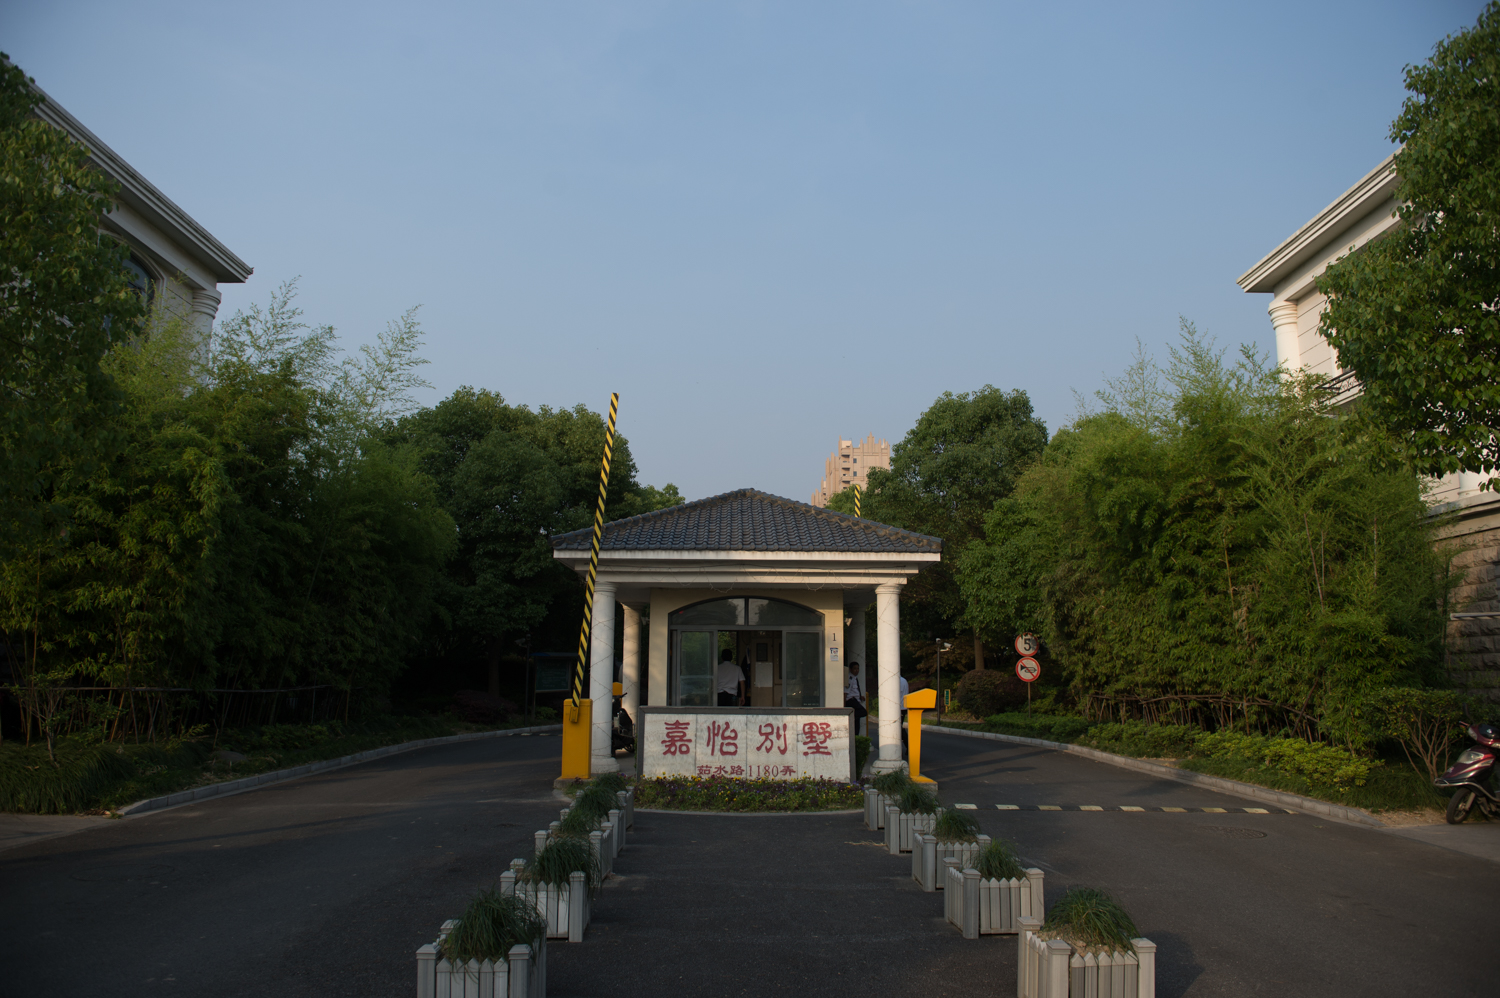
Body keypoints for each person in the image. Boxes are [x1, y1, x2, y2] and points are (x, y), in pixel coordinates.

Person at [844, 661, 867, 734]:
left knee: (857, 726)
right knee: (863, 712)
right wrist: (844, 706)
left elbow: (854, 691)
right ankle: (850, 715)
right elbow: (845, 692)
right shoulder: (849, 679)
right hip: (851, 701)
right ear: (850, 669)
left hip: (856, 700)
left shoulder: (854, 678)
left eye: (857, 668)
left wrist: (860, 697)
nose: (857, 670)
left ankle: (856, 736)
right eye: (854, 669)